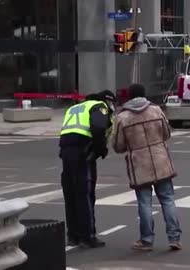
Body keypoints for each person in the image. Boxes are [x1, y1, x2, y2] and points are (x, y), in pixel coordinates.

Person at [111, 84, 182, 251]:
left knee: (144, 203)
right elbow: (167, 133)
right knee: (168, 200)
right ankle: (174, 238)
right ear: (144, 95)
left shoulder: (123, 117)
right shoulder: (156, 110)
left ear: (129, 96)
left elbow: (117, 145)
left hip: (139, 164)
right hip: (160, 161)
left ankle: (146, 239)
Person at [59, 90, 116, 248]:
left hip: (66, 152)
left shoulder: (75, 107)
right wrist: (100, 150)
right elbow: (98, 129)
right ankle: (88, 235)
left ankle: (73, 235)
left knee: (70, 195)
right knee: (85, 194)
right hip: (83, 152)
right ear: (108, 100)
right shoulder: (100, 106)